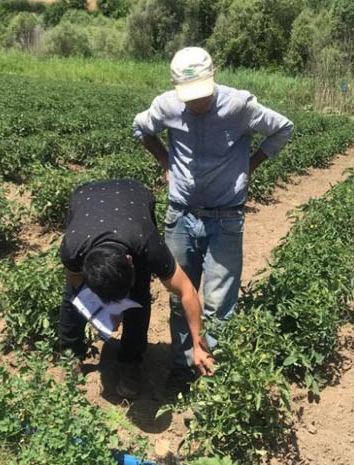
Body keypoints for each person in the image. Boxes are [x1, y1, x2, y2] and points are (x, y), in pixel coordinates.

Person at [132, 47, 294, 393]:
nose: (197, 104)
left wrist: (249, 166)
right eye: (189, 98)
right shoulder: (167, 106)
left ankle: (212, 371)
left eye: (202, 95)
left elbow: (283, 128)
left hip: (226, 217)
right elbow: (140, 128)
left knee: (220, 303)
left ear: (214, 77)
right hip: (181, 214)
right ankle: (182, 364)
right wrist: (165, 162)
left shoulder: (238, 106)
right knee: (179, 296)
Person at [58, 178, 214, 399]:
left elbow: (187, 291)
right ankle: (70, 354)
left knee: (139, 296)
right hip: (86, 197)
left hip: (135, 193)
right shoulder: (72, 249)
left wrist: (199, 346)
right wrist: (98, 312)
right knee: (73, 298)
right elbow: (75, 281)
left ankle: (130, 360)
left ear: (130, 259)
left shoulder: (147, 245)